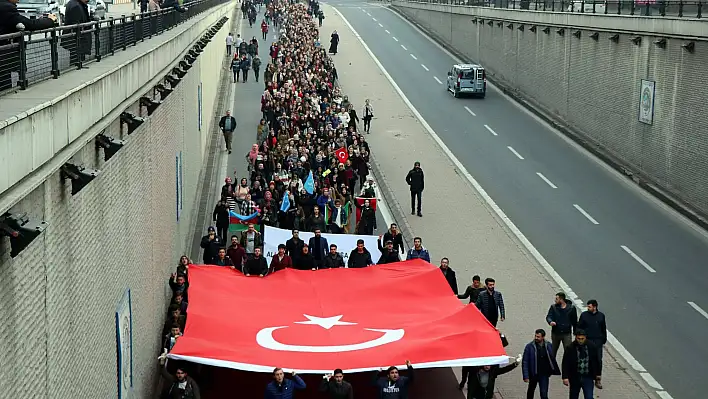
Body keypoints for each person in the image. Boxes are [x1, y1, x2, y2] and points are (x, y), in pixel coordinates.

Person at [0, 0, 58, 91]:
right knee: (4, 86)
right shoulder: (6, 8)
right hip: (3, 55)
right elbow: (31, 24)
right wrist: (50, 20)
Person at [562, 330, 601, 399]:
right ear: (576, 338)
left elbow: (596, 361)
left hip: (588, 377)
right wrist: (565, 377)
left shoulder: (591, 346)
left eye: (582, 339)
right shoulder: (570, 348)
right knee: (573, 396)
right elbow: (565, 363)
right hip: (575, 377)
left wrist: (598, 374)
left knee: (589, 397)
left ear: (585, 338)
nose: (580, 341)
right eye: (578, 338)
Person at [522, 329, 560, 399]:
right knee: (530, 391)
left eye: (538, 337)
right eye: (535, 336)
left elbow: (552, 358)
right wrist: (526, 376)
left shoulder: (548, 345)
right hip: (533, 374)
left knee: (544, 394)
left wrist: (551, 369)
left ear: (543, 337)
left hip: (544, 374)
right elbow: (525, 362)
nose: (536, 338)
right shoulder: (529, 346)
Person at [577, 299, 606, 388]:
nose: (588, 308)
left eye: (589, 307)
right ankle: (585, 377)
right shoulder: (584, 315)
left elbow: (603, 328)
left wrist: (603, 340)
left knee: (598, 360)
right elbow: (579, 327)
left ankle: (597, 379)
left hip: (597, 341)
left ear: (594, 307)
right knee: (586, 358)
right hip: (587, 341)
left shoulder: (601, 316)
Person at [546, 292, 578, 360]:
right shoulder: (553, 307)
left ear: (561, 299)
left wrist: (575, 332)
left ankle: (567, 367)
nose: (555, 300)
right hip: (556, 333)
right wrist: (550, 321)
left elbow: (574, 321)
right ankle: (551, 366)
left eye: (557, 299)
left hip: (566, 333)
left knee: (568, 351)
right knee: (553, 351)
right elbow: (549, 316)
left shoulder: (571, 308)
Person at [62, 0, 92, 66]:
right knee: (76, 59)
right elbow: (76, 24)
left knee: (76, 58)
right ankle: (77, 67)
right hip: (77, 39)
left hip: (76, 39)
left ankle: (77, 66)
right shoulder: (76, 6)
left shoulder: (75, 4)